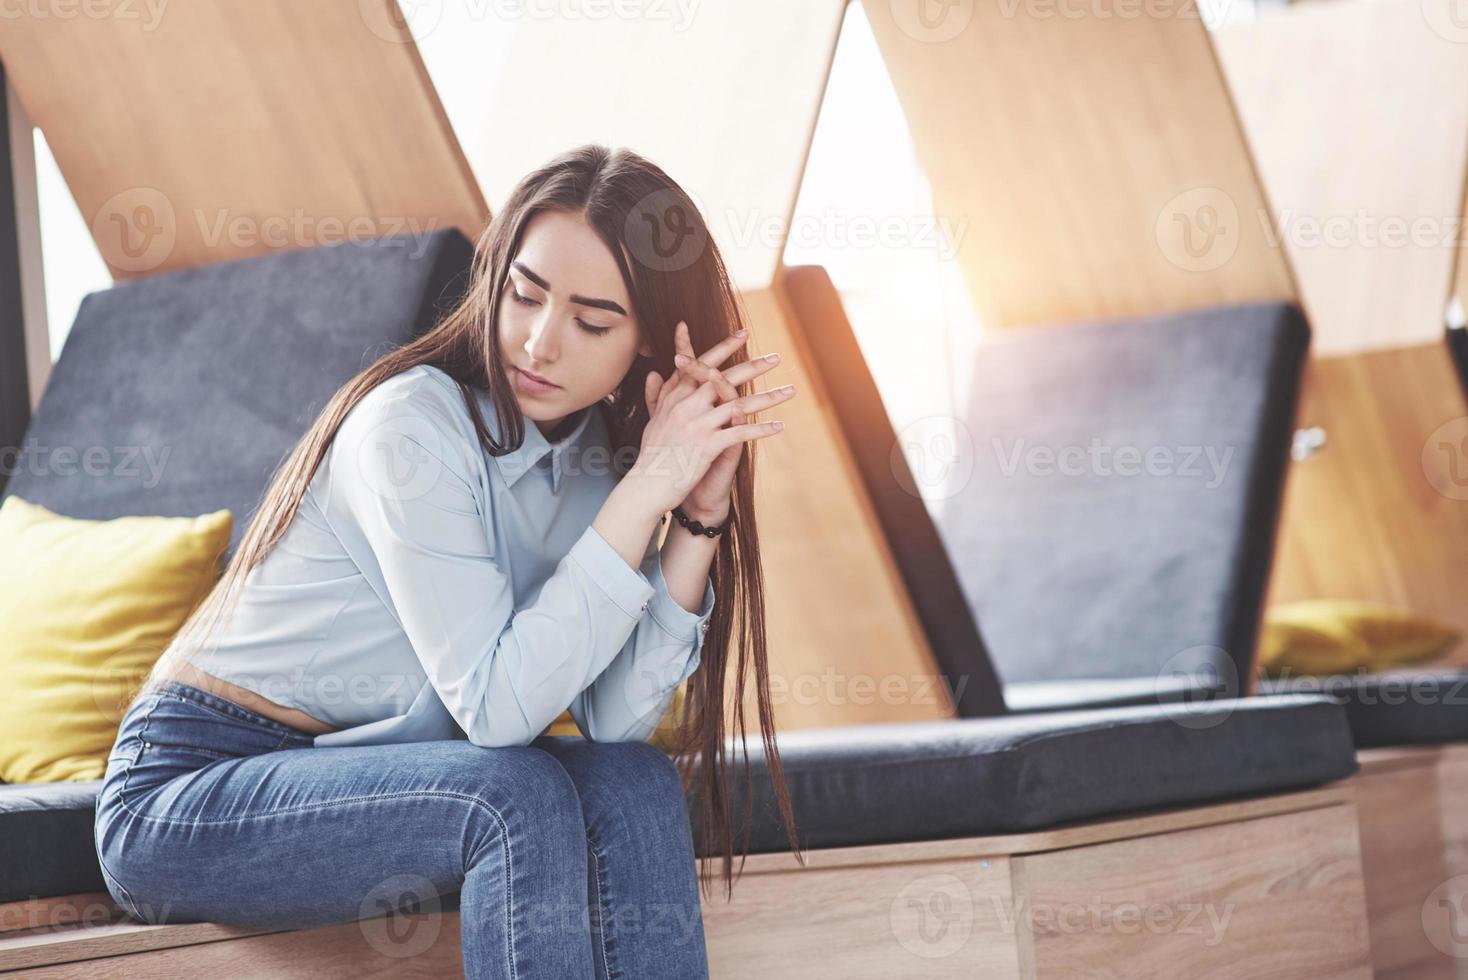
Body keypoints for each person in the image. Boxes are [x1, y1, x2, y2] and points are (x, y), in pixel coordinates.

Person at [93, 143, 803, 979]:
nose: (539, 343)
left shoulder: (605, 465)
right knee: (511, 797)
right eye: (524, 295)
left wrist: (696, 515)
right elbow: (498, 717)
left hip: (373, 774)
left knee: (635, 780)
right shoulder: (412, 430)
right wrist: (650, 485)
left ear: (650, 344)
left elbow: (613, 721)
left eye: (591, 321)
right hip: (193, 787)